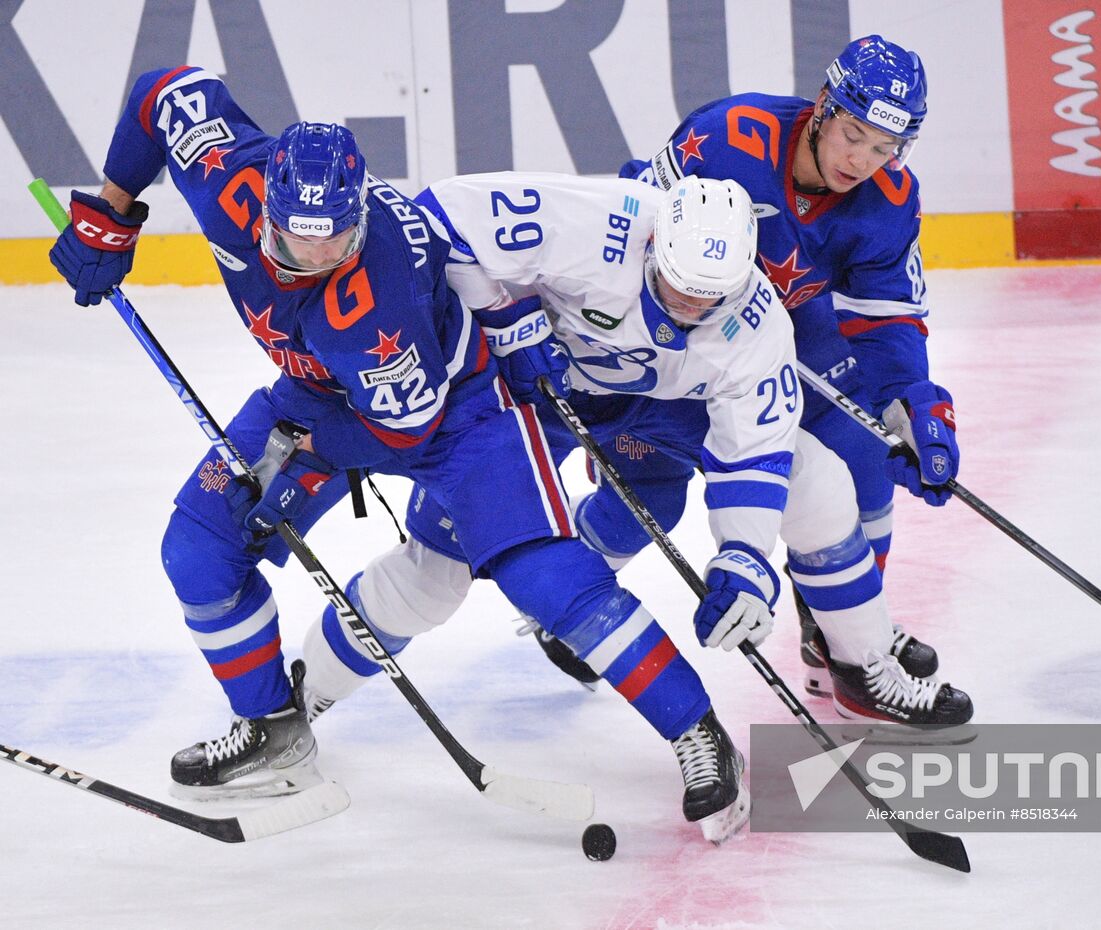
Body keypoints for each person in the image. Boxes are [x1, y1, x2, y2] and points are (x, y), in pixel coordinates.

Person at [46, 66, 748, 842]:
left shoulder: (374, 300)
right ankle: (273, 730)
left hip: (459, 416)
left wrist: (299, 446)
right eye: (294, 238)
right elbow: (163, 93)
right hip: (319, 396)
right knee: (199, 548)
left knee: (543, 577)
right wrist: (110, 213)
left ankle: (697, 731)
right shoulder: (231, 179)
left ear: (358, 219)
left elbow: (403, 430)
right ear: (266, 204)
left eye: (334, 240)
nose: (311, 257)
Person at [302, 169, 970, 728]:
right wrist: (504, 316)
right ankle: (304, 698)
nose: (686, 305)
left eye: (710, 295)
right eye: (676, 281)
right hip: (519, 389)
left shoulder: (757, 326)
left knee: (816, 481)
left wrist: (743, 561)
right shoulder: (594, 222)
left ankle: (860, 666)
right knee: (433, 576)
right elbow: (439, 214)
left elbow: (756, 452)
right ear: (653, 243)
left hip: (657, 404)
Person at [618, 35, 964, 711]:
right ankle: (569, 604)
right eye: (853, 135)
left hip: (793, 326)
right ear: (824, 108)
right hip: (676, 327)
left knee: (866, 448)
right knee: (648, 489)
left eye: (883, 149)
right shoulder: (727, 138)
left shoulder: (889, 198)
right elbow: (633, 232)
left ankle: (841, 642)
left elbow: (887, 317)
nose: (861, 162)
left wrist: (911, 401)